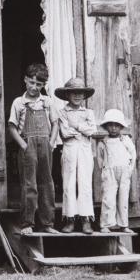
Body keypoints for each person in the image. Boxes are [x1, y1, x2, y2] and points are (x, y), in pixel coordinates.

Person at [7, 63, 60, 236]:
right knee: (29, 184)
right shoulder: (19, 103)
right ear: (25, 80)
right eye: (31, 82)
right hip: (27, 145)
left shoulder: (47, 102)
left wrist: (51, 143)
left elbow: (55, 124)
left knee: (47, 183)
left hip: (45, 145)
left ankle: (47, 223)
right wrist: (23, 145)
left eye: (38, 84)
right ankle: (27, 223)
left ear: (44, 85)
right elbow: (12, 128)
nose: (34, 87)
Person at [55, 77, 99, 234]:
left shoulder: (88, 112)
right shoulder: (62, 112)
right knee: (68, 184)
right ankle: (70, 219)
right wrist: (82, 129)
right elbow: (65, 133)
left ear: (84, 95)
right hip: (69, 149)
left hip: (85, 150)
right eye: (73, 93)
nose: (77, 96)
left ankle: (86, 219)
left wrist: (77, 126)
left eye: (80, 93)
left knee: (85, 183)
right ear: (67, 95)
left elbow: (92, 131)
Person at [97, 109, 136, 233]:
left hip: (124, 172)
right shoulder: (103, 142)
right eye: (110, 125)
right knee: (108, 197)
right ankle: (106, 224)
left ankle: (123, 224)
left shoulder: (126, 140)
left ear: (121, 126)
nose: (113, 128)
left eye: (116, 125)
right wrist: (104, 170)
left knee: (123, 197)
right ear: (106, 127)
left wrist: (129, 170)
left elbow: (132, 155)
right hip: (109, 171)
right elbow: (100, 159)